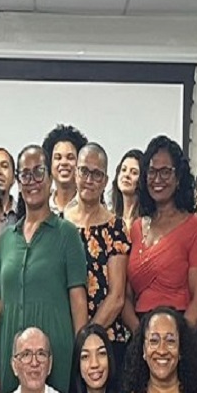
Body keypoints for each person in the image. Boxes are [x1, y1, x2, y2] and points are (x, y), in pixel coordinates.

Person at [0, 145, 87, 393]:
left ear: (50, 178)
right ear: (18, 182)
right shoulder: (6, 240)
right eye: (25, 174)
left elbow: (78, 303)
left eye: (38, 172)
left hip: (56, 355)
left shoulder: (67, 234)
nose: (32, 181)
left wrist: (81, 357)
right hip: (10, 357)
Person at [126, 134, 197, 328]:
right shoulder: (136, 228)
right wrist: (142, 338)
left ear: (178, 177)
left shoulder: (194, 226)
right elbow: (126, 297)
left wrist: (176, 341)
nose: (157, 179)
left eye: (165, 172)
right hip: (139, 333)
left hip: (179, 331)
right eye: (152, 171)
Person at [68, 142, 131, 346]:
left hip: (106, 338)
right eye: (84, 171)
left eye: (96, 175)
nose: (89, 180)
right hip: (63, 337)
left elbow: (117, 296)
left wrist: (87, 340)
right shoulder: (59, 224)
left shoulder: (116, 228)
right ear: (76, 173)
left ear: (105, 181)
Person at [45, 123, 86, 219]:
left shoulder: (89, 205)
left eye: (70, 157)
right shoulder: (42, 206)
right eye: (58, 158)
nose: (63, 163)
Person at [111, 148, 142, 230]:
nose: (127, 175)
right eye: (123, 170)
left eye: (134, 172)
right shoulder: (108, 219)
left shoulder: (147, 222)